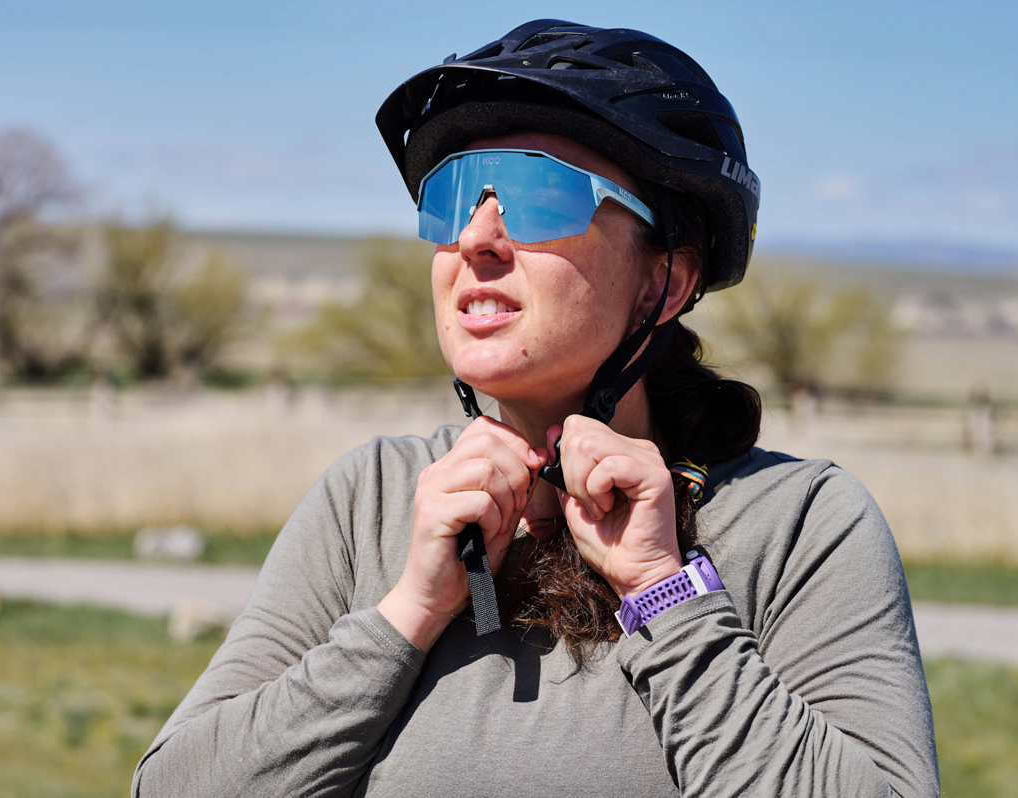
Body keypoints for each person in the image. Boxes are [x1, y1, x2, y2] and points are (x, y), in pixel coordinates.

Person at [133, 20, 939, 798]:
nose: (477, 237)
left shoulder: (798, 524)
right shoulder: (371, 498)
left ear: (667, 281)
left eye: (538, 195)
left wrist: (663, 590)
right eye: (453, 198)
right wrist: (407, 611)